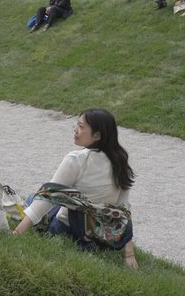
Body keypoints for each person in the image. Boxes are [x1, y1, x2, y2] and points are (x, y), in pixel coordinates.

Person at [12, 108, 138, 268]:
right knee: (58, 196)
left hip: (71, 229)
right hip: (102, 235)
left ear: (97, 135)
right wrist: (129, 253)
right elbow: (123, 209)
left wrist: (17, 233)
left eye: (80, 126)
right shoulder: (121, 161)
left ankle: (28, 214)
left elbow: (48, 196)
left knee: (34, 197)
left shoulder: (77, 159)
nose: (75, 130)